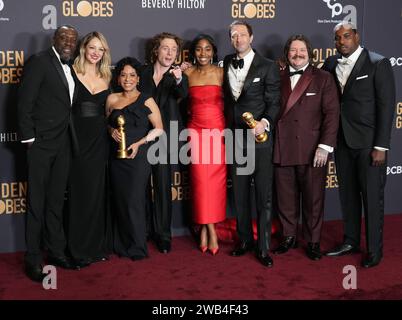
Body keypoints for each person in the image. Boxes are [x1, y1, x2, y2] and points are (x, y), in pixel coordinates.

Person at [323, 22, 395, 268]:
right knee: (348, 196)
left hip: (369, 145)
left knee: (372, 200)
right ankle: (350, 241)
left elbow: (387, 108)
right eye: (337, 38)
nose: (341, 42)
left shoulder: (378, 63)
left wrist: (381, 147)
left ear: (356, 36)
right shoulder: (331, 64)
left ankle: (375, 250)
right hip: (342, 142)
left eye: (346, 36)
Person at [17, 25, 79, 282]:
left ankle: (55, 251)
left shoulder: (71, 66)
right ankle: (32, 259)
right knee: (37, 204)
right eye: (63, 38)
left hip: (64, 144)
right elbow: (24, 102)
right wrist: (30, 139)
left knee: (55, 202)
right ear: (54, 39)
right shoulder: (40, 62)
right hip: (41, 144)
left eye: (72, 40)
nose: (68, 42)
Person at [272, 35, 340, 260]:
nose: (297, 54)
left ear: (309, 53)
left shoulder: (323, 78)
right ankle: (289, 237)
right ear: (286, 53)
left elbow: (332, 115)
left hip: (313, 150)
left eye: (301, 50)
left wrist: (325, 146)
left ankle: (312, 241)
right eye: (293, 50)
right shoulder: (277, 76)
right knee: (285, 198)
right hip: (282, 146)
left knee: (313, 199)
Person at [223, 20, 280, 267]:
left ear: (252, 37)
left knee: (263, 196)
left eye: (242, 35)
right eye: (234, 35)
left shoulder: (268, 66)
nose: (238, 39)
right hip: (234, 138)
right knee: (240, 194)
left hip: (259, 139)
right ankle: (244, 240)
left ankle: (263, 247)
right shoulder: (226, 62)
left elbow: (274, 102)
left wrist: (264, 123)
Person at [106, 57, 163, 261]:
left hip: (138, 157)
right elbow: (106, 123)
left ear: (138, 78)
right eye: (123, 75)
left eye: (132, 75)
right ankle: (121, 244)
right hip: (116, 157)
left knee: (134, 200)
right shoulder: (111, 99)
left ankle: (138, 246)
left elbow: (159, 129)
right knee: (120, 200)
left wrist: (139, 143)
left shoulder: (146, 99)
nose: (127, 79)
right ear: (118, 78)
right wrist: (111, 130)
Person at [139, 32, 189, 253]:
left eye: (174, 50)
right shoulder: (142, 73)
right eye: (166, 48)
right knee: (139, 186)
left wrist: (179, 78)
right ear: (156, 50)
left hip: (165, 138)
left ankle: (163, 235)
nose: (170, 53)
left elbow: (183, 92)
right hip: (141, 136)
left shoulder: (178, 76)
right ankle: (141, 231)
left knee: (161, 186)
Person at [68, 31, 111, 268]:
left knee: (96, 194)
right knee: (79, 195)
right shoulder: (71, 73)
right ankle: (77, 250)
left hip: (100, 140)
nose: (95, 53)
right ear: (83, 48)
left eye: (100, 49)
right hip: (76, 139)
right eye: (92, 47)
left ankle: (95, 248)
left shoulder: (107, 76)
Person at [183, 34, 226, 255]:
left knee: (215, 185)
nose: (203, 54)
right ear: (193, 52)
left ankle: (205, 228)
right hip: (196, 132)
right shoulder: (187, 73)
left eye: (207, 49)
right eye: (199, 49)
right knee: (200, 183)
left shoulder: (221, 73)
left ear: (213, 52)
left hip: (218, 132)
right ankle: (209, 230)